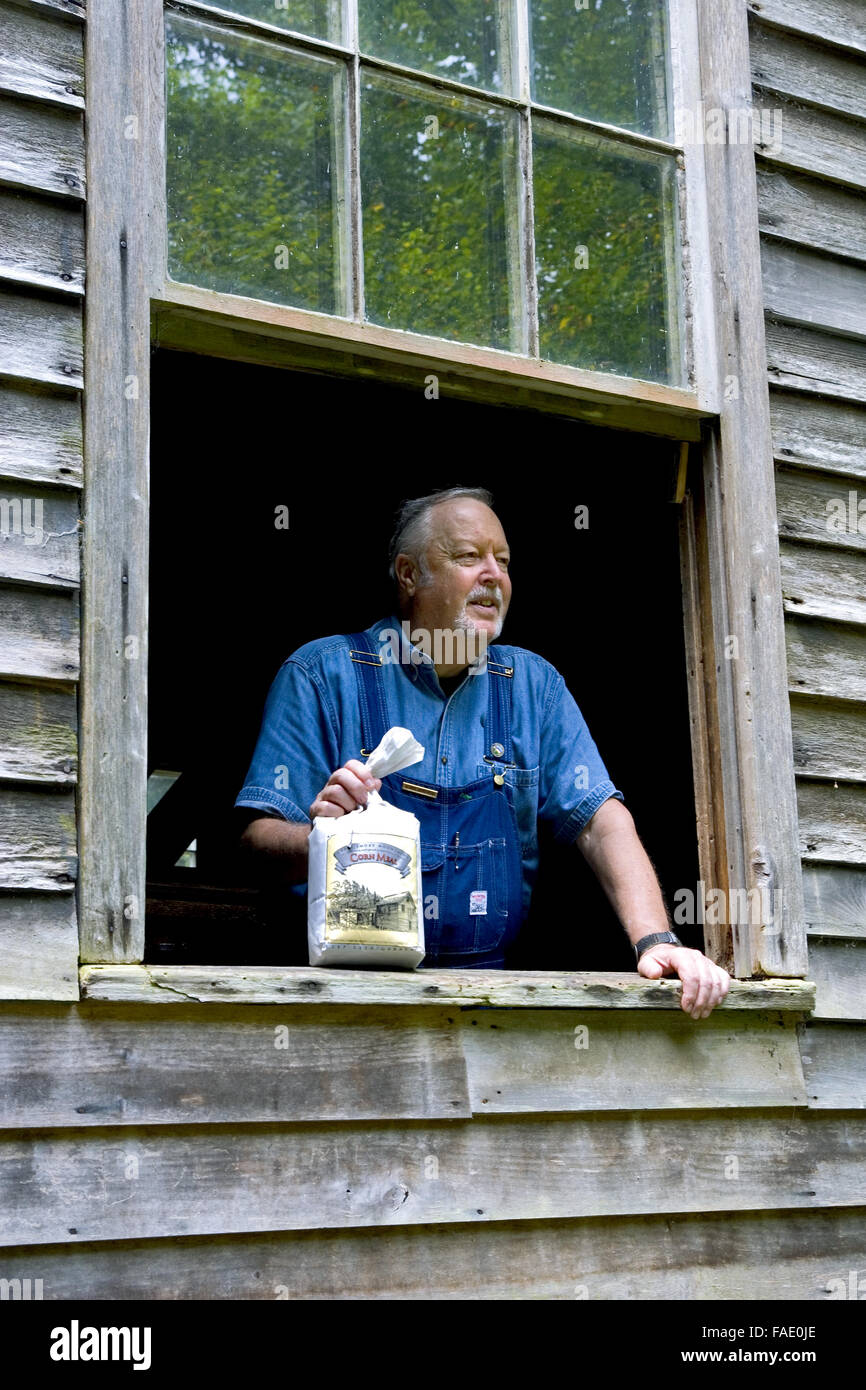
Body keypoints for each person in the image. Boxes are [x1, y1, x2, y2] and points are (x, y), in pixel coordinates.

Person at [235, 486, 730, 1018]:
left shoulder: (531, 685)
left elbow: (601, 822)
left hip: (490, 997)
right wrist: (321, 838)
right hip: (340, 997)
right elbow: (254, 843)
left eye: (504, 561)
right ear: (409, 575)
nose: (493, 575)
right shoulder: (320, 674)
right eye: (469, 557)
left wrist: (656, 941)